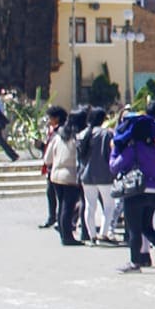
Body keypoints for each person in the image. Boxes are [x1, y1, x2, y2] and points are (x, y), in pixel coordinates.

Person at [109, 114, 155, 273]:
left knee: (134, 228)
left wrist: (114, 151)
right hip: (153, 191)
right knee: (147, 226)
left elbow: (114, 166)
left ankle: (134, 262)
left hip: (135, 190)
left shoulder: (132, 149)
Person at [43, 108, 85, 246]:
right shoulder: (77, 138)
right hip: (70, 175)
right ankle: (67, 236)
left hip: (55, 175)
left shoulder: (58, 136)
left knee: (62, 205)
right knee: (68, 206)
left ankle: (63, 232)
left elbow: (47, 158)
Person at [77, 106, 117, 244]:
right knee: (109, 206)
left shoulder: (83, 134)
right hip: (104, 175)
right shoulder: (107, 134)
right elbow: (111, 154)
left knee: (90, 205)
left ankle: (92, 235)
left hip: (86, 175)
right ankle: (103, 234)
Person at [37, 105, 65, 230]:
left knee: (59, 195)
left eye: (50, 118)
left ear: (57, 118)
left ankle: (60, 219)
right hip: (52, 167)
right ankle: (52, 217)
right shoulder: (53, 131)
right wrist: (41, 146)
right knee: (50, 193)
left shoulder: (61, 131)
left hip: (57, 166)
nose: (49, 120)